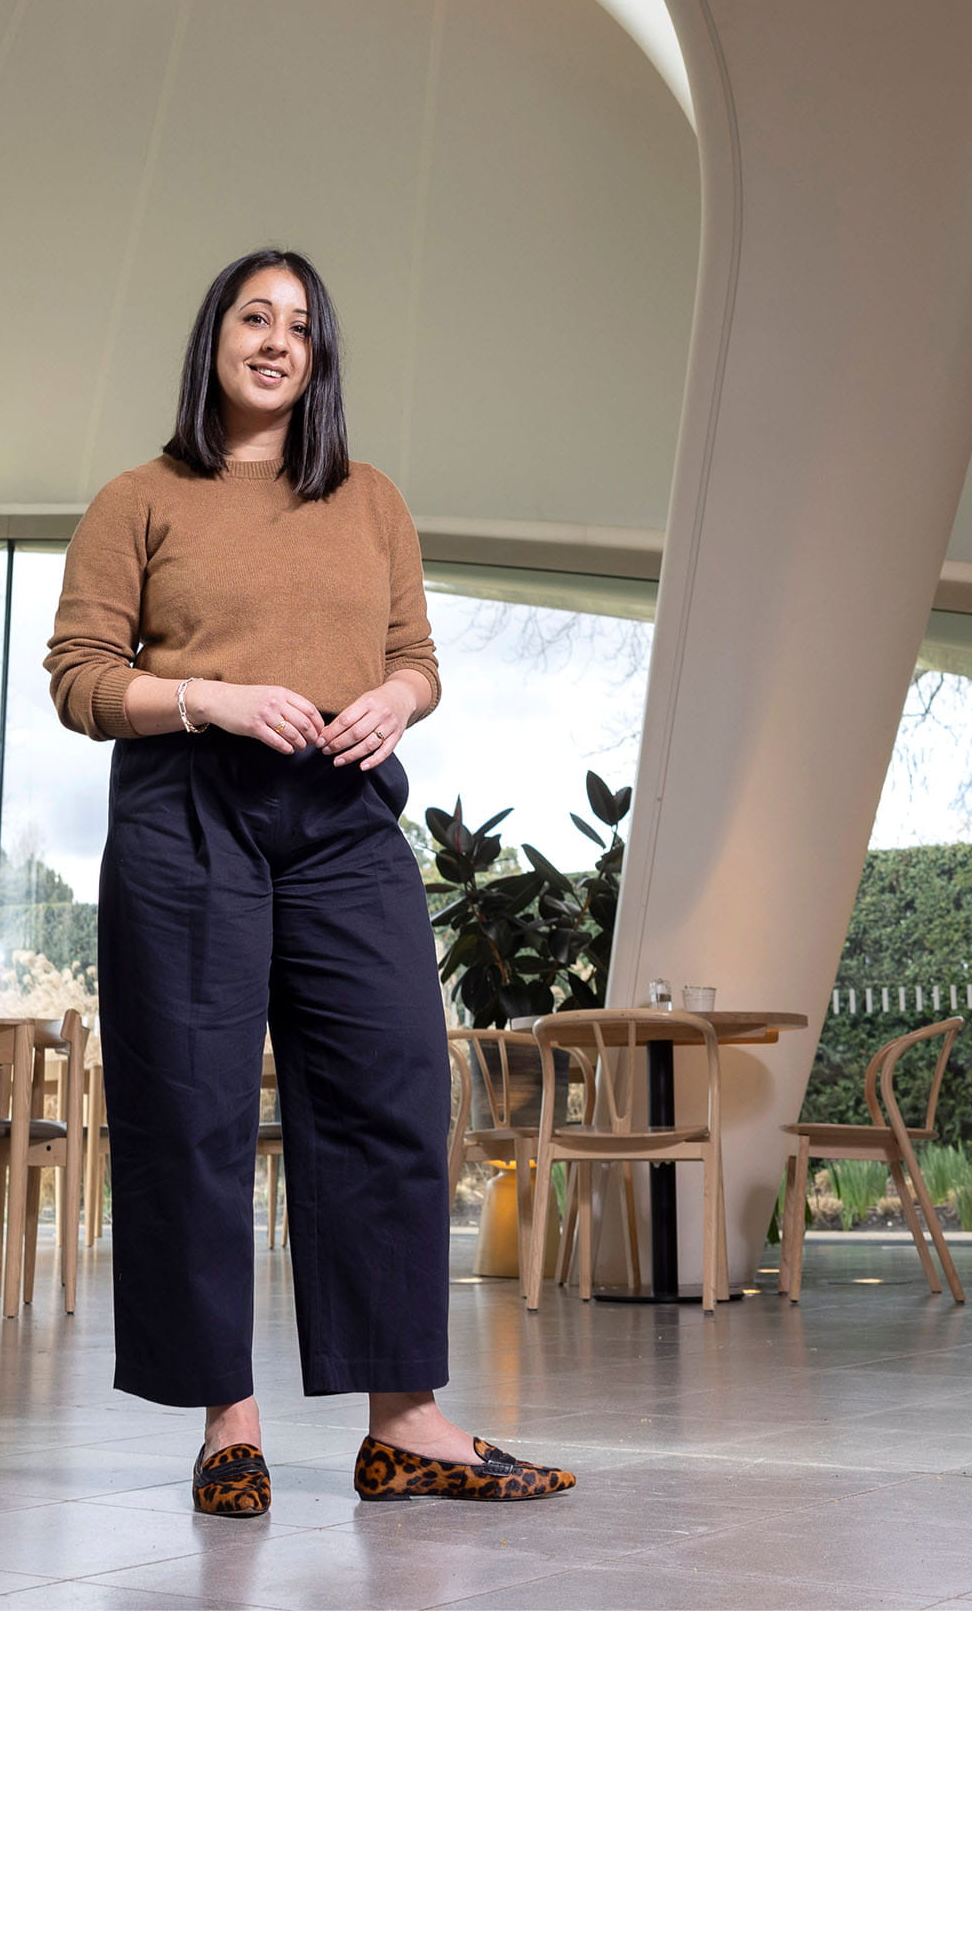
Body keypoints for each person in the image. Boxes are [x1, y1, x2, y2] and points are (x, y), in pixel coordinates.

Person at [45, 247, 574, 1518]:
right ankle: (229, 1422)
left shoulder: (370, 499)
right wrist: (210, 697)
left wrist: (395, 700)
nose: (277, 341)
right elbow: (78, 678)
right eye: (254, 317)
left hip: (343, 815)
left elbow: (415, 658)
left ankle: (407, 1423)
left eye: (300, 326)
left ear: (320, 356)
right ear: (214, 338)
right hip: (189, 810)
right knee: (195, 1114)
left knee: (395, 1093)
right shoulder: (138, 499)